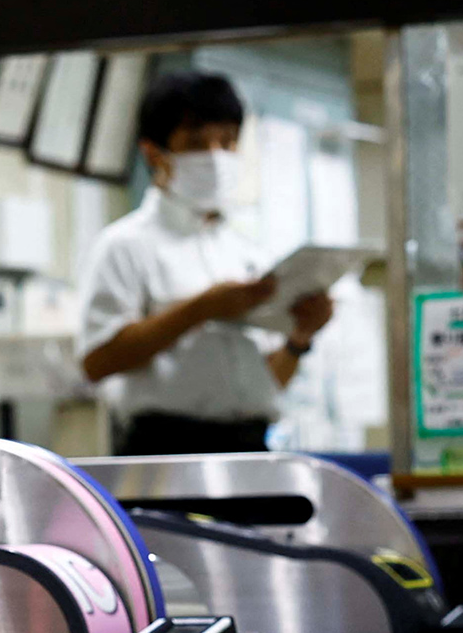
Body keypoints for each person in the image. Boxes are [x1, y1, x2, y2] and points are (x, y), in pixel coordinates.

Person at [77, 71, 333, 455]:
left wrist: (301, 338)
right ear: (154, 152)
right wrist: (201, 309)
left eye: (227, 142)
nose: (216, 157)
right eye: (196, 143)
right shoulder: (125, 246)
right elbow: (97, 361)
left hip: (249, 447)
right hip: (163, 450)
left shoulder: (245, 251)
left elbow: (267, 382)